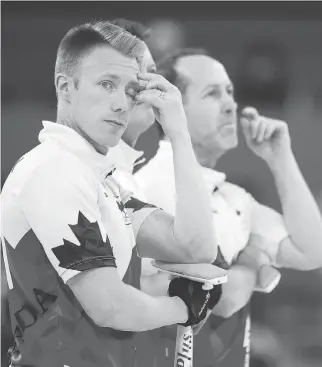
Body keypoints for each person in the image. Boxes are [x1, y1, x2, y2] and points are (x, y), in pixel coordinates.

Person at [0, 22, 221, 367]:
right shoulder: (54, 171)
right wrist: (183, 308)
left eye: (131, 91)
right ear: (65, 87)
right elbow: (109, 305)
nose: (121, 103)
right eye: (106, 85)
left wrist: (178, 129)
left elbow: (194, 246)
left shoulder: (101, 182)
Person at [134, 49, 322, 367]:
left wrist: (280, 159)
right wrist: (251, 262)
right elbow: (218, 299)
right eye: (212, 93)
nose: (231, 105)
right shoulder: (150, 187)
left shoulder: (233, 197)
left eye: (230, 92)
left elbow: (312, 253)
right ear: (170, 107)